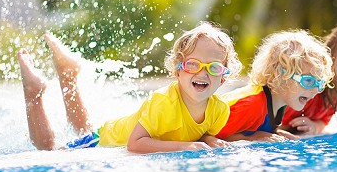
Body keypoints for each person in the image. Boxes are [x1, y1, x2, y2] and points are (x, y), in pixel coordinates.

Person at [17, 21, 243, 153]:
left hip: (111, 132)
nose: (202, 73)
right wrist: (185, 147)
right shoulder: (164, 103)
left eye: (213, 68)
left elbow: (200, 134)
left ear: (223, 77)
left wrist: (209, 140)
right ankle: (34, 94)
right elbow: (135, 145)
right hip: (107, 139)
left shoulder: (219, 110)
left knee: (82, 128)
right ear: (178, 70)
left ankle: (69, 75)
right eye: (193, 64)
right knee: (51, 151)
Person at [215, 29, 335, 142]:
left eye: (320, 83)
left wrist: (277, 132)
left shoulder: (278, 103)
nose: (315, 90)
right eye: (308, 81)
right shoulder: (252, 104)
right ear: (279, 76)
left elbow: (257, 126)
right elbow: (212, 136)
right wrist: (254, 137)